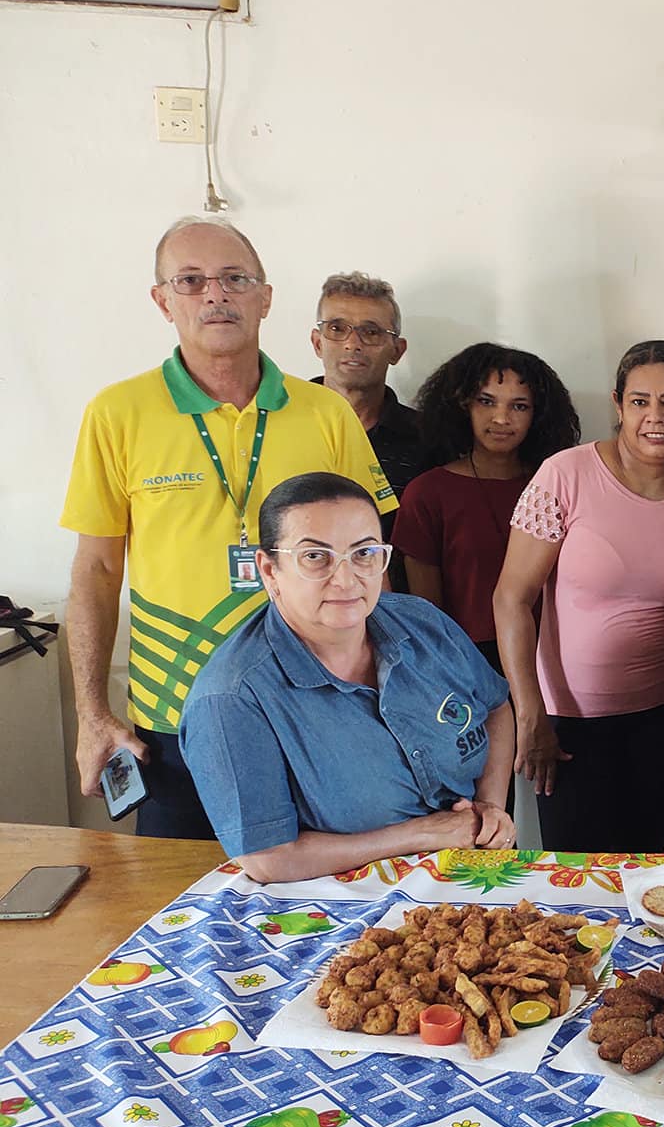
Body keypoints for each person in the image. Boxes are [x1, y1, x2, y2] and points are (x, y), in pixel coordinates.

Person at [60, 217, 395, 840]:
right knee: (179, 905)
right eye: (190, 281)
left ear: (265, 297)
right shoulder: (116, 413)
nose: (215, 294)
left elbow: (370, 559)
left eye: (234, 279)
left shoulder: (326, 413)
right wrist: (92, 713)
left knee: (330, 903)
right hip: (175, 715)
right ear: (162, 300)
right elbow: (97, 569)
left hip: (315, 704)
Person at [179, 473, 514, 882]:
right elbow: (269, 859)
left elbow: (496, 707)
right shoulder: (231, 698)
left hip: (471, 879)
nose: (346, 579)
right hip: (336, 913)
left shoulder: (423, 624)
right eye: (315, 557)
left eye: (364, 553)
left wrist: (491, 807)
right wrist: (421, 834)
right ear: (269, 570)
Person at [494, 340, 664, 853]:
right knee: (579, 883)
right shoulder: (565, 475)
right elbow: (511, 598)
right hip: (569, 726)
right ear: (618, 405)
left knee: (646, 872)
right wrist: (530, 715)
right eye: (640, 402)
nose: (656, 417)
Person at [393, 343, 581, 675]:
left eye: (519, 406)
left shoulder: (560, 486)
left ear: (538, 415)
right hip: (465, 666)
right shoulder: (427, 493)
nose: (501, 418)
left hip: (555, 662)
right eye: (486, 401)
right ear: (462, 406)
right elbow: (426, 612)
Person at [310, 272, 424, 503]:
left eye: (371, 332)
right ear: (317, 343)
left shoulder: (428, 439)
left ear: (397, 350)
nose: (353, 344)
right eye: (337, 329)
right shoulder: (276, 423)